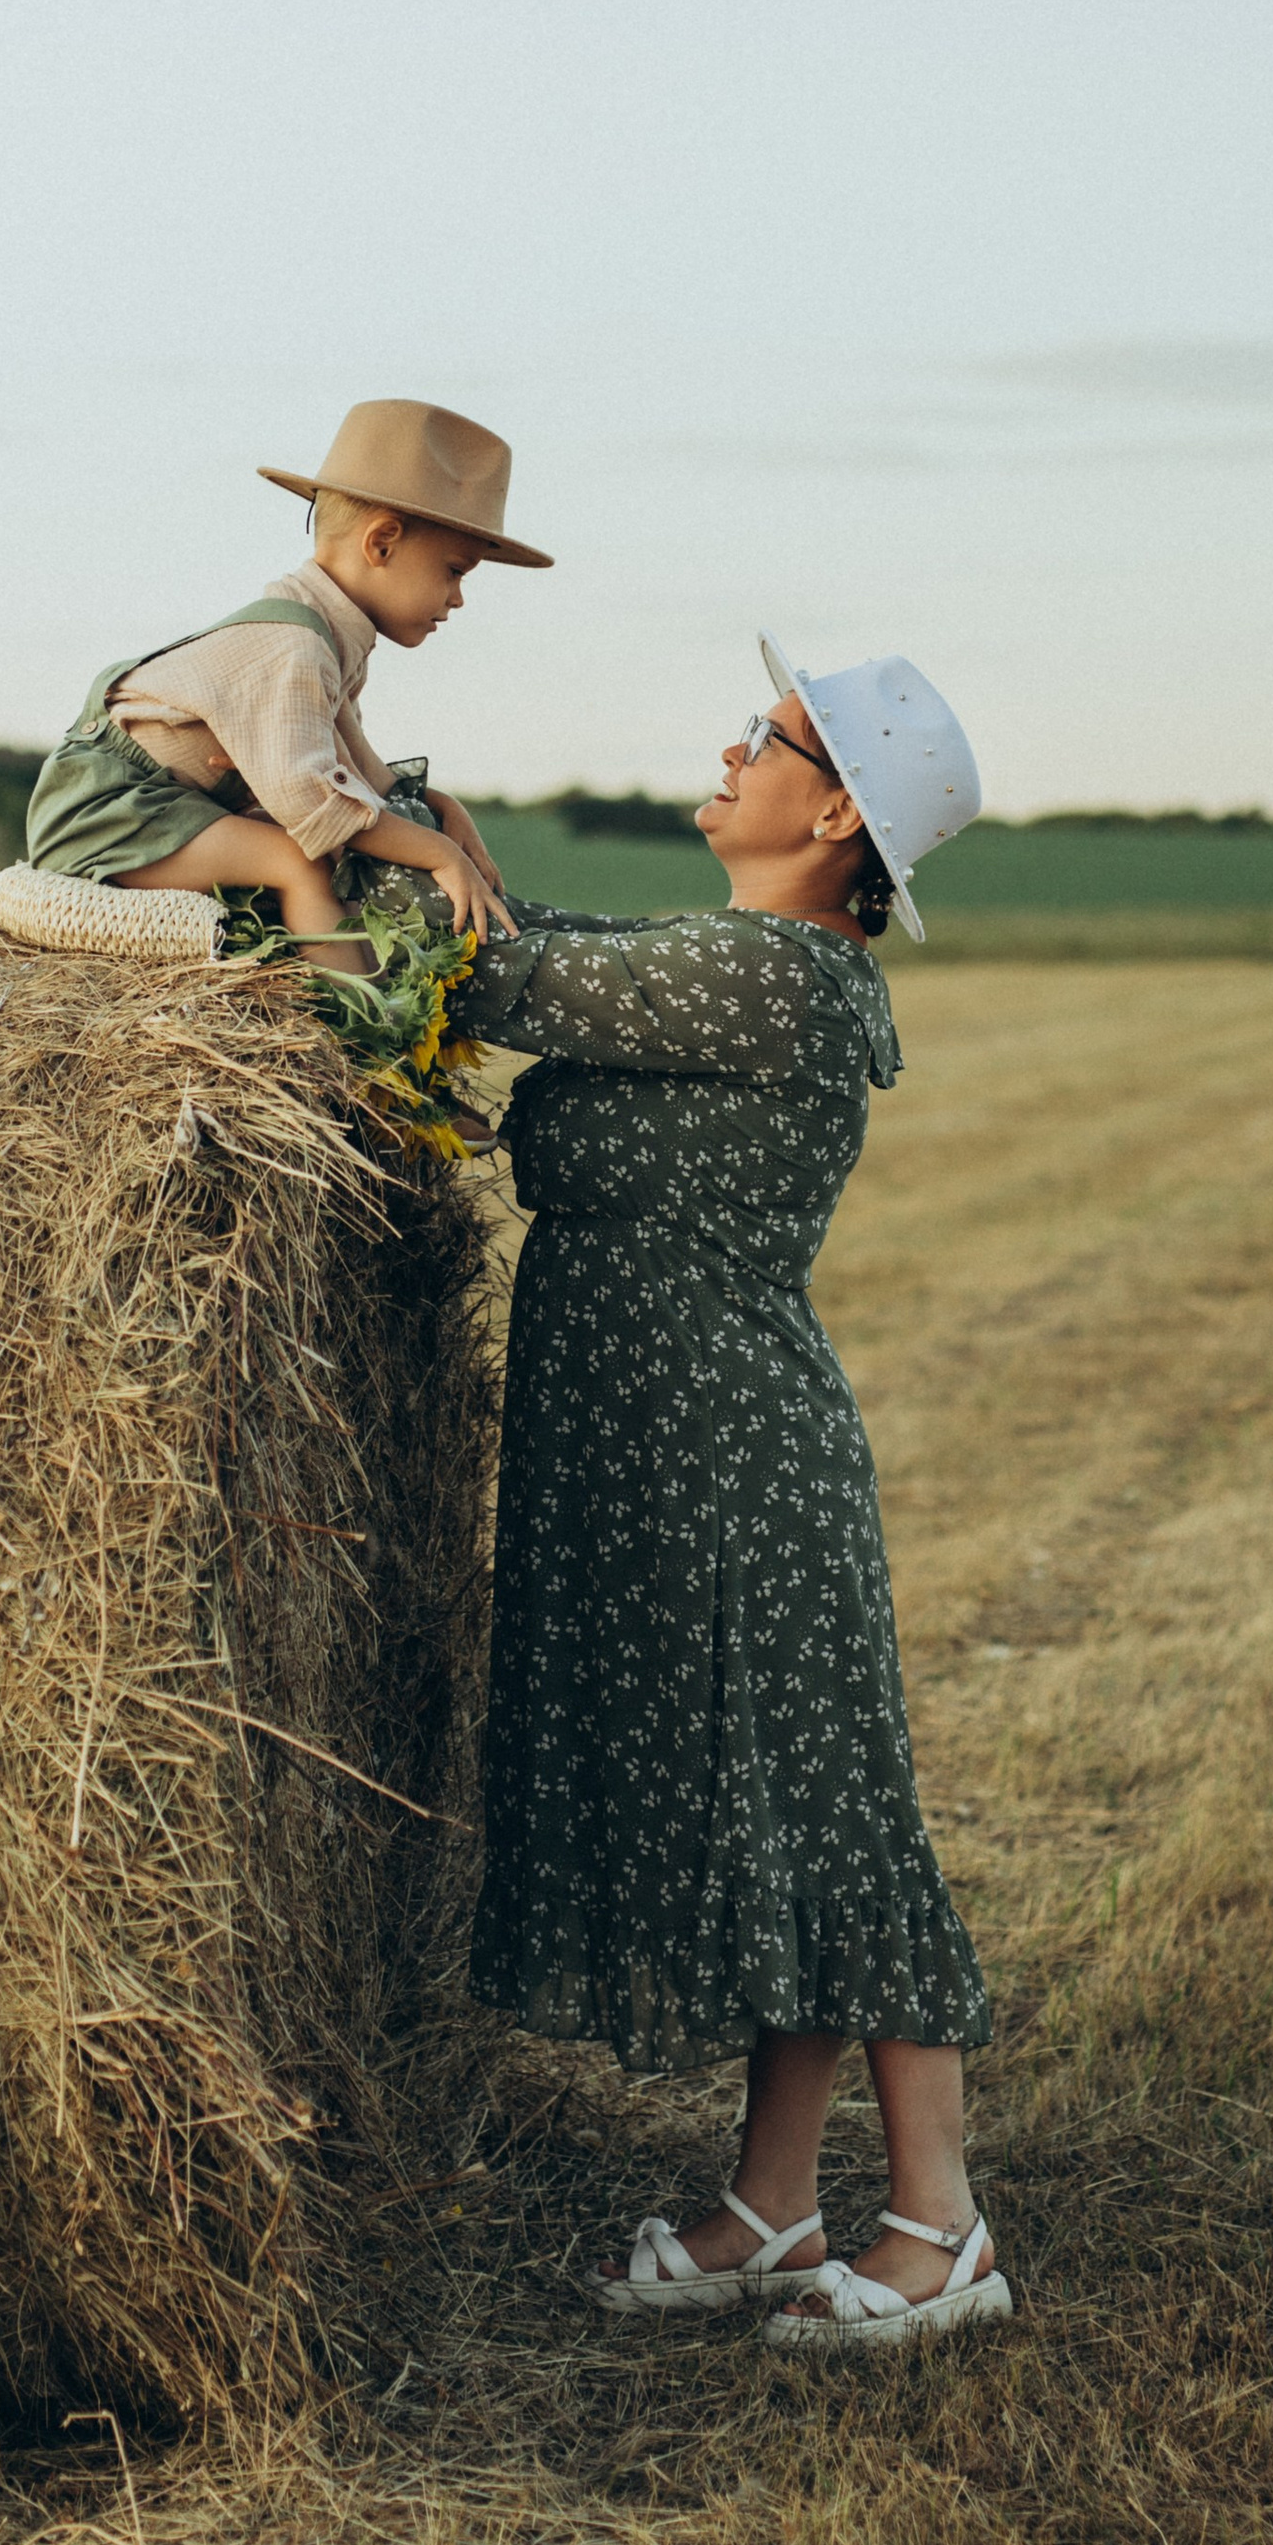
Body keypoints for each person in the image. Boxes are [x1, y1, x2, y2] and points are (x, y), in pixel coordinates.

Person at [451, 633, 1011, 2346]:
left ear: (836, 812)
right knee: (776, 1803)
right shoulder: (730, 956)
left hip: (725, 1456)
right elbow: (539, 938)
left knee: (832, 1808)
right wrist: (428, 840)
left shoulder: (779, 978)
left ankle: (942, 2228)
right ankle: (775, 2204)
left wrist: (350, 829)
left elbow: (493, 977)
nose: (727, 752)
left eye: (761, 739)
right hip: (656, 1441)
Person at [23, 400, 548, 953]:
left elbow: (359, 779)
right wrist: (440, 852)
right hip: (106, 816)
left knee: (331, 850)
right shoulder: (293, 646)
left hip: (165, 811)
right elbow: (318, 804)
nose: (458, 598)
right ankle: (360, 1008)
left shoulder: (332, 641)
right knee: (300, 859)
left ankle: (370, 973)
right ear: (381, 543)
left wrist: (445, 810)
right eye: (454, 571)